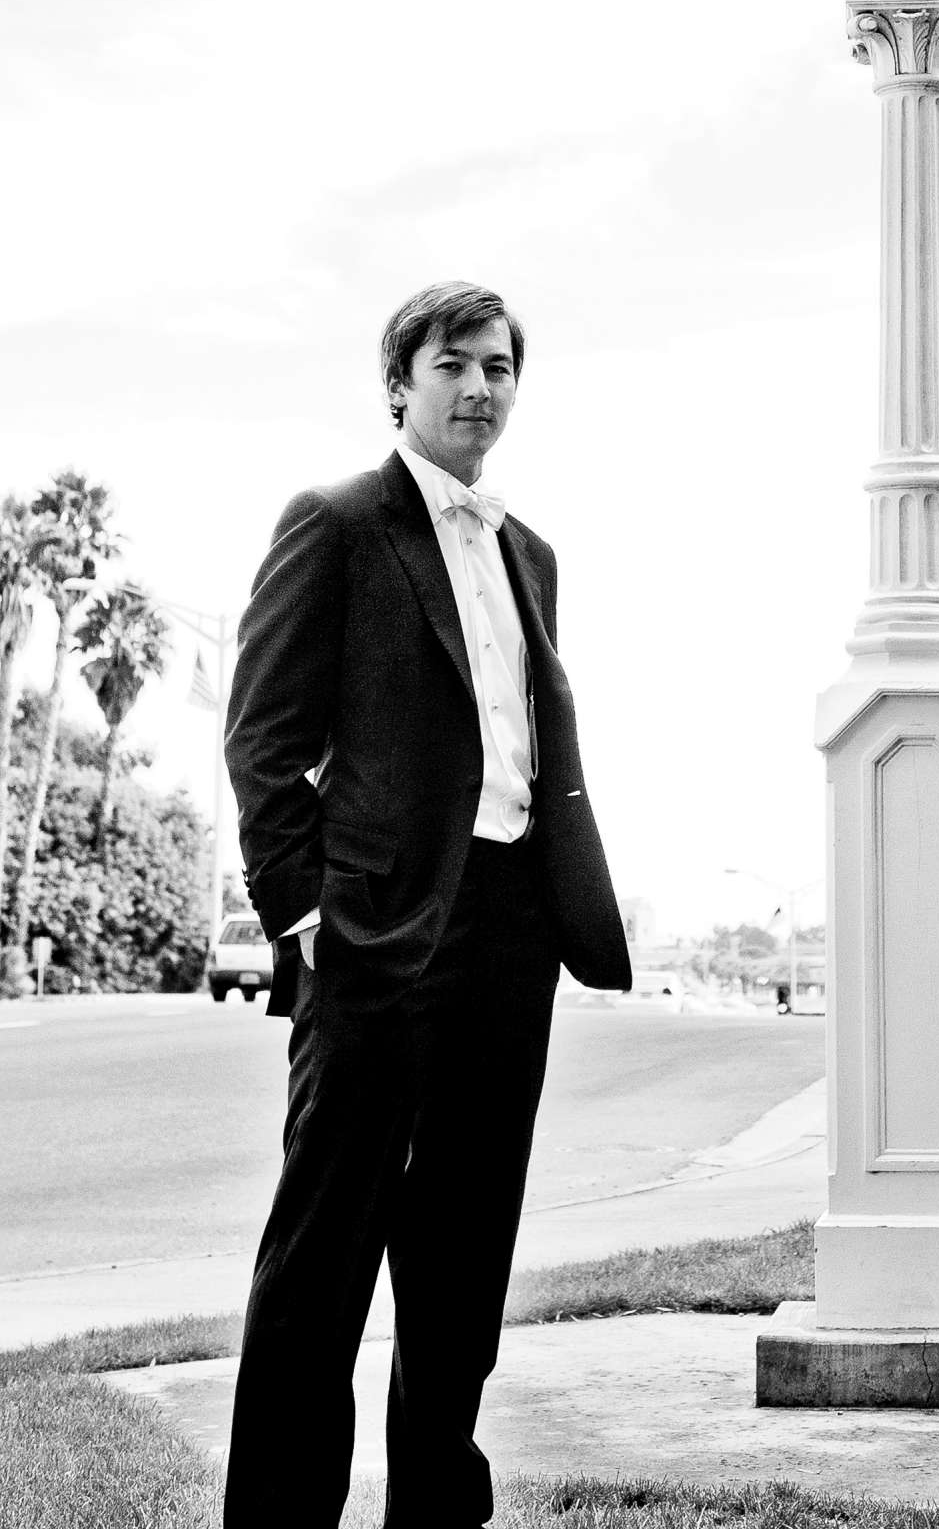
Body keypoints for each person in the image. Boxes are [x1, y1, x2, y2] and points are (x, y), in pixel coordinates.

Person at [222, 281, 631, 1529]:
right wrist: (306, 918)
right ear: (400, 380)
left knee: (462, 1257)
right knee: (324, 1258)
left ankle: (439, 1510)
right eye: (454, 364)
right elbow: (263, 739)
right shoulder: (338, 524)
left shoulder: (529, 553)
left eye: (501, 367)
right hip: (377, 941)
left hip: (511, 929)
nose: (480, 388)